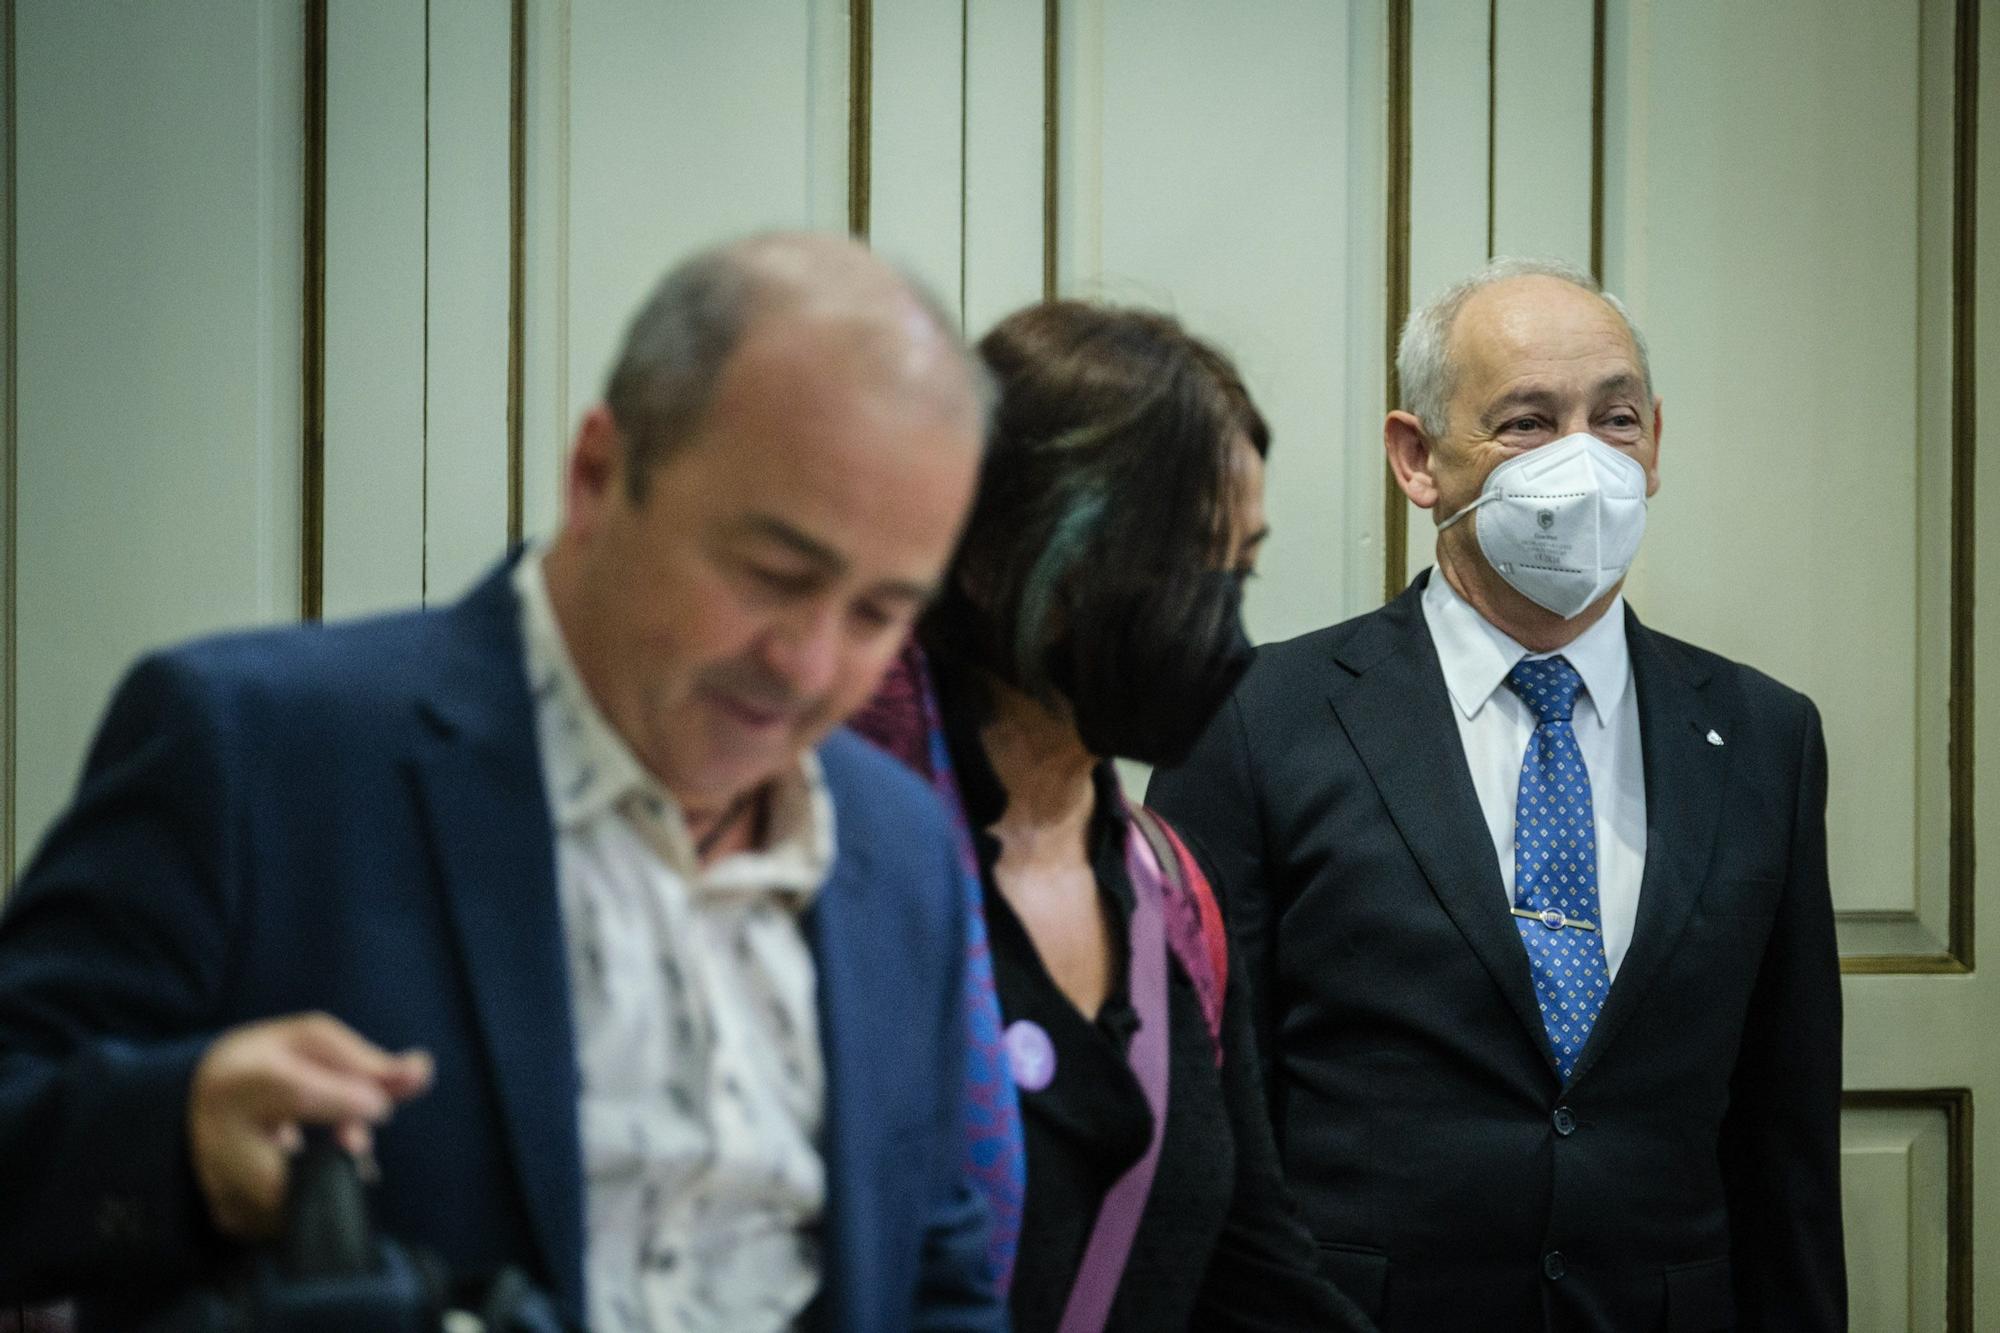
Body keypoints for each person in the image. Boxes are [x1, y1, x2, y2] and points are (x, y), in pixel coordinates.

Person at [0, 232, 1009, 1332]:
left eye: (878, 612)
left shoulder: (900, 846)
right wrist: (174, 1134)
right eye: (771, 575)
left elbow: (931, 1272)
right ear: (597, 476)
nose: (810, 664)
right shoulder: (254, 753)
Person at [1148, 257, 1845, 1330]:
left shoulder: (1763, 734)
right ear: (1415, 457)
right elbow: (1197, 1113)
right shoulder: (1253, 718)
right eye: (1525, 422)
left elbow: (1781, 1130)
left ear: (1653, 441)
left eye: (1612, 418)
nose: (1581, 458)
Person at [852, 300, 1374, 1332]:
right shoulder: (833, 865)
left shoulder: (1166, 888)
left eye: (1237, 569)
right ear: (994, 554)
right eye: (1174, 566)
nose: (1214, 621)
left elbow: (1254, 1274)